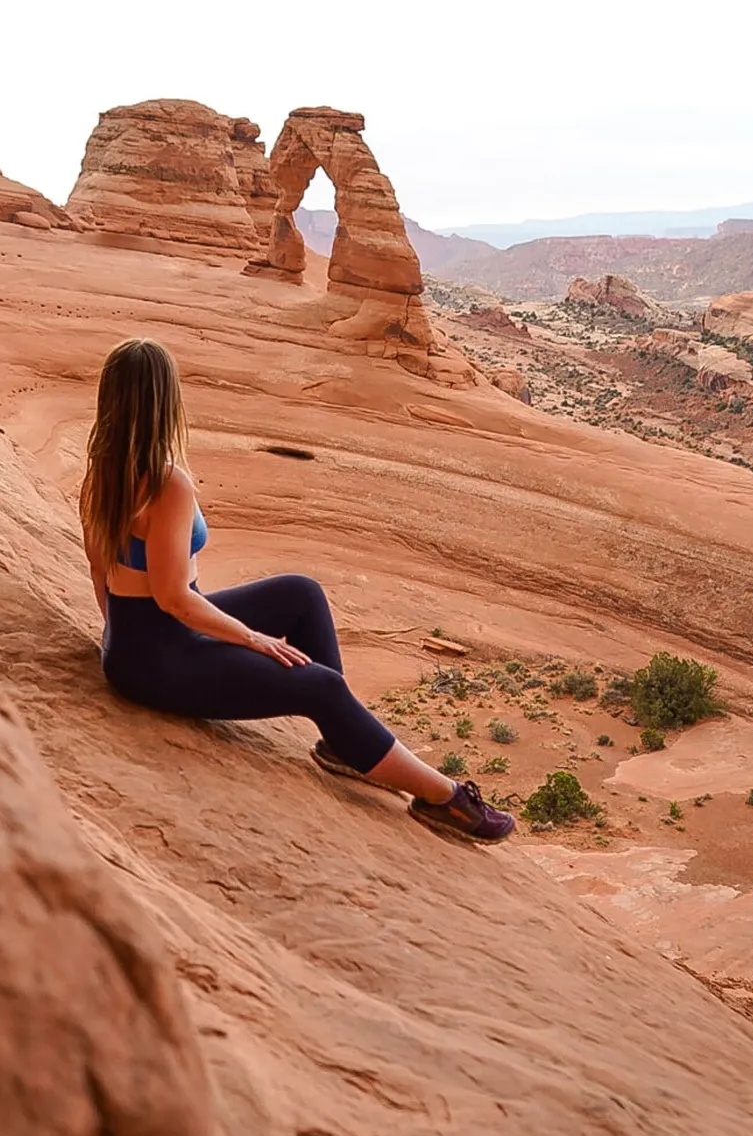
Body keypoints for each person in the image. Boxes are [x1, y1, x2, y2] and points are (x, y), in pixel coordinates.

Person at [79, 337, 515, 844]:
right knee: (320, 686)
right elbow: (174, 597)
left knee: (300, 594)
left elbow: (98, 571)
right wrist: (251, 638)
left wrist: (118, 641)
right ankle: (448, 801)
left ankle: (341, 745)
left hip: (136, 644)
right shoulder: (167, 483)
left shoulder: (102, 472)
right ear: (165, 400)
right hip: (161, 653)